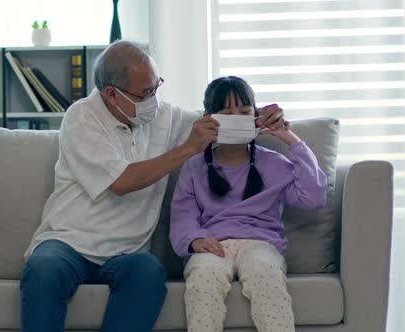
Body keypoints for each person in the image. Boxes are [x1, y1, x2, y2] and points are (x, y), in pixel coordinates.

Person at [20, 41, 287, 332]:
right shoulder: (81, 118)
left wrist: (260, 116)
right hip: (68, 243)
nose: (154, 99)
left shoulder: (164, 116)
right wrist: (186, 149)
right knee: (43, 269)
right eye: (146, 92)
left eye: (157, 86)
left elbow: (220, 121)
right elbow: (121, 182)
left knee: (149, 273)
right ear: (112, 94)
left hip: (127, 253)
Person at [169, 76, 327, 332]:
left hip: (261, 244)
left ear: (255, 116)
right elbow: (182, 216)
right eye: (227, 113)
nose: (237, 118)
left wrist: (290, 139)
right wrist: (195, 240)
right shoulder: (194, 167)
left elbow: (314, 197)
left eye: (244, 112)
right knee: (203, 276)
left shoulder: (274, 163)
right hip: (213, 245)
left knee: (265, 271)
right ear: (210, 118)